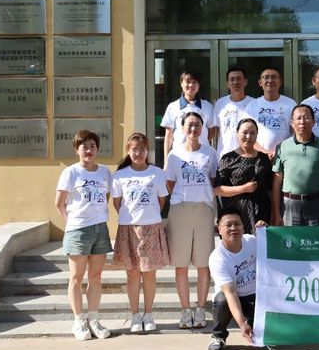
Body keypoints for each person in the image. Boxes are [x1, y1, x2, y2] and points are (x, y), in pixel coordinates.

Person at [55, 130, 112, 341]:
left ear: (97, 149)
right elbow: (59, 203)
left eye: (92, 146)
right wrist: (71, 224)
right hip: (78, 229)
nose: (89, 150)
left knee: (95, 277)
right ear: (76, 150)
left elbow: (106, 196)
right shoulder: (70, 172)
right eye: (84, 147)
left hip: (100, 228)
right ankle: (79, 321)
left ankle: (93, 319)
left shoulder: (105, 172)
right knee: (76, 277)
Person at [111, 132, 170, 333]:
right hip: (128, 228)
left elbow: (161, 200)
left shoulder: (157, 173)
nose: (138, 153)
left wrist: (148, 216)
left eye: (142, 149)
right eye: (134, 149)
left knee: (150, 274)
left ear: (148, 151)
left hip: (151, 227)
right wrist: (132, 218)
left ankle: (148, 314)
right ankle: (135, 315)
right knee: (132, 274)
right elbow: (117, 203)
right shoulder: (120, 175)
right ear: (128, 151)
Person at [165, 112, 219, 330]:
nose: (193, 129)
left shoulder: (210, 152)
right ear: (182, 128)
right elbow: (170, 183)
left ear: (203, 128)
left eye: (197, 125)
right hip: (180, 210)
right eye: (189, 125)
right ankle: (185, 310)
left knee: (203, 264)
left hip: (204, 210)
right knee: (181, 264)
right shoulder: (174, 154)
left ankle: (200, 309)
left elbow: (213, 180)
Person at [207, 207, 267, 350]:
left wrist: (265, 232)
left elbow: (272, 250)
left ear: (243, 226)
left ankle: (255, 325)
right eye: (228, 225)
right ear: (219, 229)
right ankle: (218, 336)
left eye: (237, 224)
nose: (233, 228)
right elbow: (231, 293)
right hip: (233, 297)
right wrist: (241, 324)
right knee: (221, 300)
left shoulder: (252, 241)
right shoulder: (217, 258)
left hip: (256, 296)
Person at [272, 105, 319, 226]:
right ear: (292, 123)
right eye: (298, 118)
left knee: (317, 238)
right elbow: (277, 182)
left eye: (306, 117)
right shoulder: (282, 147)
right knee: (291, 238)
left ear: (314, 122)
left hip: (318, 204)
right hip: (290, 205)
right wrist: (276, 213)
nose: (302, 122)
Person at [214, 118, 272, 234]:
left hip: (261, 215)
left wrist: (271, 215)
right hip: (236, 214)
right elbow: (217, 189)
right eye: (244, 132)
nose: (248, 137)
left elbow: (269, 188)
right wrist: (243, 189)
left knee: (259, 244)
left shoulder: (263, 159)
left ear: (257, 134)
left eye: (252, 133)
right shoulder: (228, 159)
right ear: (237, 133)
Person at [161, 70, 215, 164]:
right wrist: (166, 160)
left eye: (194, 82)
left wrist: (200, 141)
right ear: (181, 83)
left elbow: (212, 131)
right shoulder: (173, 106)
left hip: (202, 157)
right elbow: (168, 136)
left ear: (199, 85)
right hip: (179, 157)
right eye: (188, 82)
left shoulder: (207, 106)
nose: (191, 85)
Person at [244, 68, 296, 159]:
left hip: (286, 155)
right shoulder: (252, 106)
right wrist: (264, 152)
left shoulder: (290, 104)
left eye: (274, 77)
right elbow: (246, 133)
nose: (270, 80)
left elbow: (295, 132)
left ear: (280, 82)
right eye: (266, 77)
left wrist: (282, 150)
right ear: (260, 82)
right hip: (258, 156)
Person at [214, 67, 254, 158]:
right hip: (224, 155)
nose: (235, 82)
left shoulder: (253, 103)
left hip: (247, 155)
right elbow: (217, 131)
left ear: (245, 82)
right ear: (227, 83)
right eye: (232, 79)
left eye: (238, 79)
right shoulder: (220, 103)